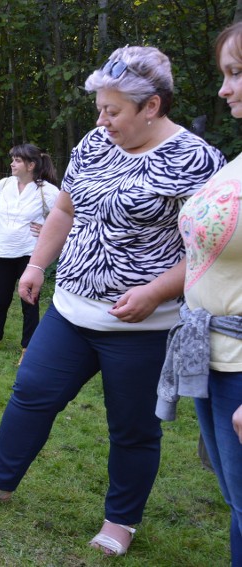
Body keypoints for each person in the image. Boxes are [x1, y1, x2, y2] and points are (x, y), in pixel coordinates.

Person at [0, 46, 226, 557]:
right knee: (31, 392)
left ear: (152, 107)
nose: (101, 120)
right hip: (71, 309)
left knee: (132, 427)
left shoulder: (196, 159)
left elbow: (210, 250)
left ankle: (121, 521)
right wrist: (35, 266)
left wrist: (157, 292)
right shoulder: (95, 143)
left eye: (112, 110)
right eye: (100, 108)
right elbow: (66, 211)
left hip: (143, 324)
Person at [156, 22, 242, 565]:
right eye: (225, 73)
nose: (224, 88)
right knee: (238, 505)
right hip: (208, 357)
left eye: (237, 73)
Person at [0, 144, 59, 364]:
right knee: (1, 300)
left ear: (31, 165)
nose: (12, 164)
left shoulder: (48, 191)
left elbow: (64, 220)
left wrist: (46, 231)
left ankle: (28, 348)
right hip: (2, 252)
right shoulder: (3, 185)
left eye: (17, 160)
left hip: (30, 255)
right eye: (12, 159)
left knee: (30, 302)